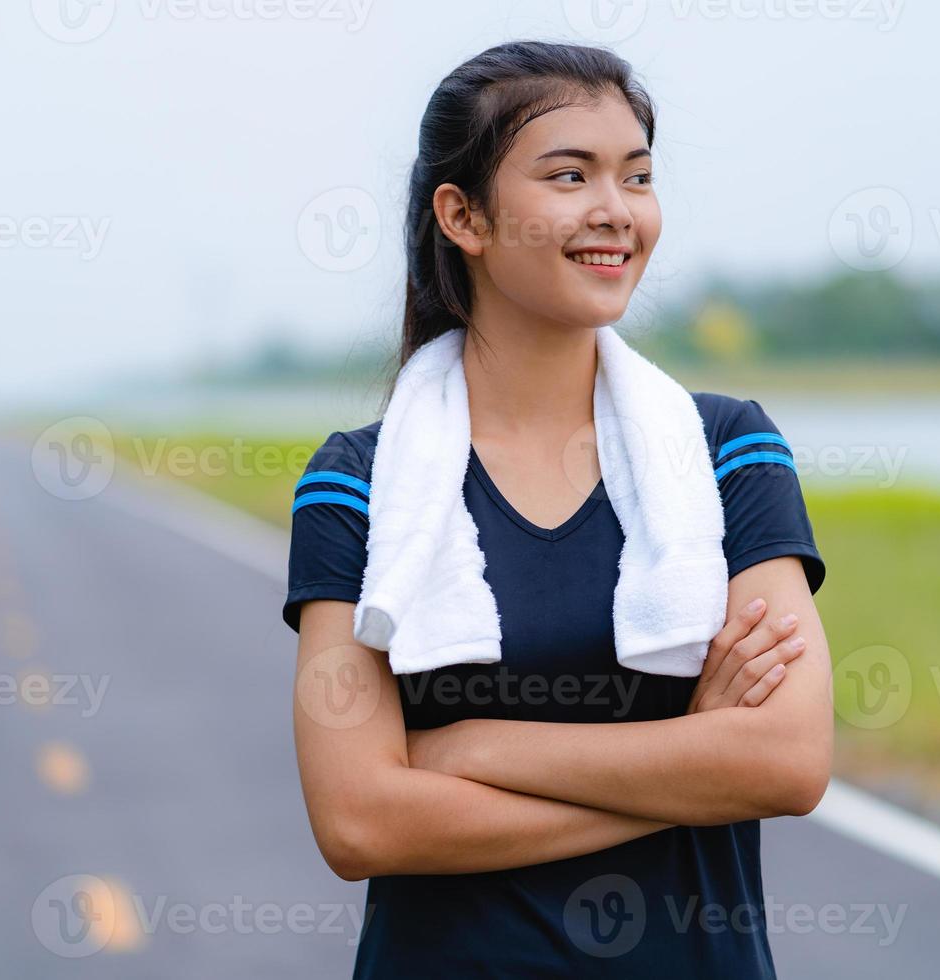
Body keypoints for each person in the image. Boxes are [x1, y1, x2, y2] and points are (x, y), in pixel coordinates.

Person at [284, 39, 832, 978]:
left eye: (638, 176)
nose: (616, 212)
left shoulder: (726, 452)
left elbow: (784, 761)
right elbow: (361, 820)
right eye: (569, 175)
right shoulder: (361, 486)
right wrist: (691, 759)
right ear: (463, 216)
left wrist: (469, 748)